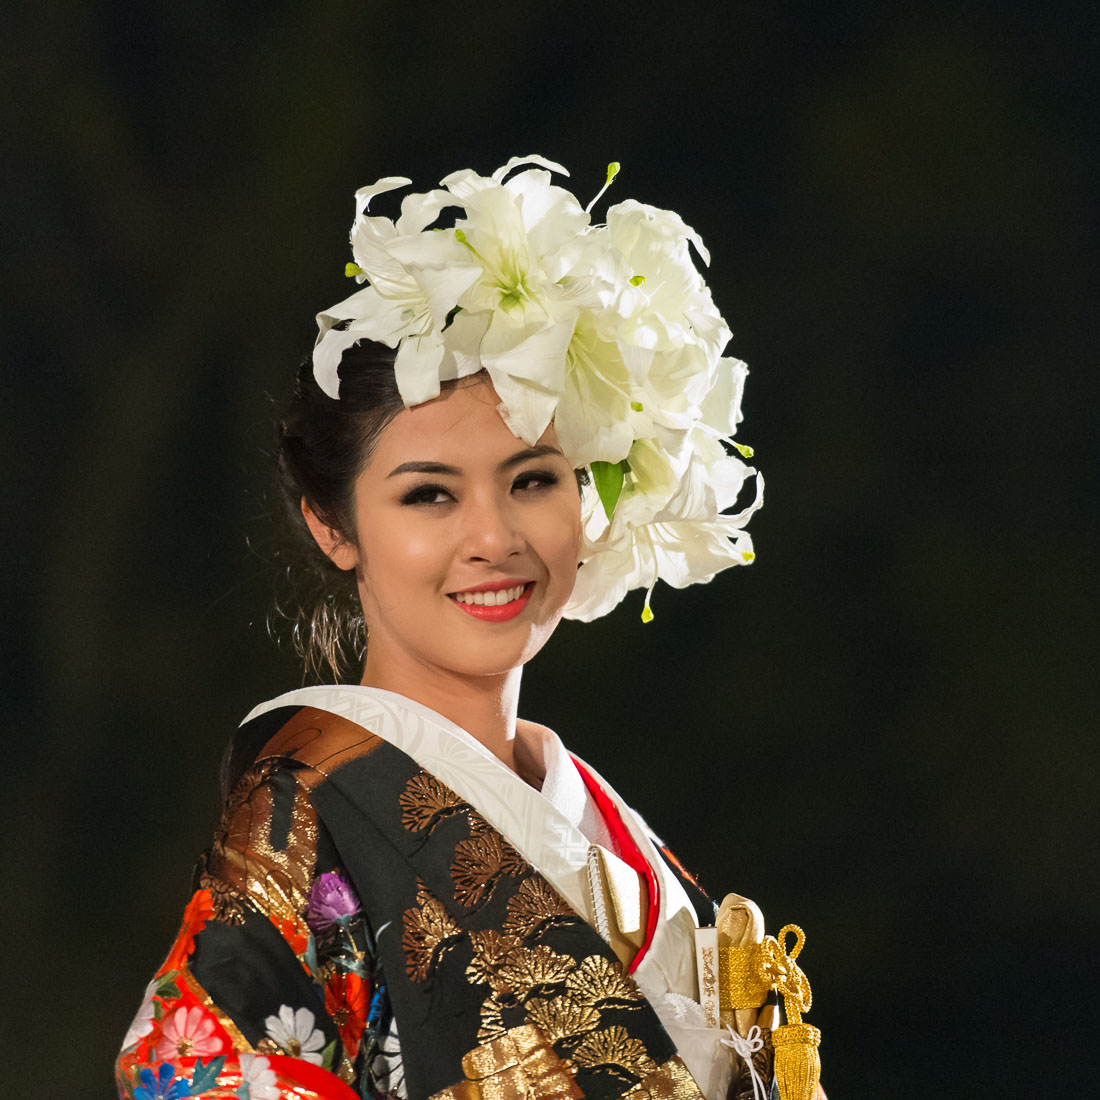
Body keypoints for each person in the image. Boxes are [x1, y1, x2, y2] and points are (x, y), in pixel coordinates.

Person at [115, 156, 823, 1100]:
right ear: (335, 527)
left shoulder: (615, 835)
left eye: (533, 480)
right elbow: (194, 1074)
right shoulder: (315, 806)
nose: (493, 538)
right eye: (430, 496)